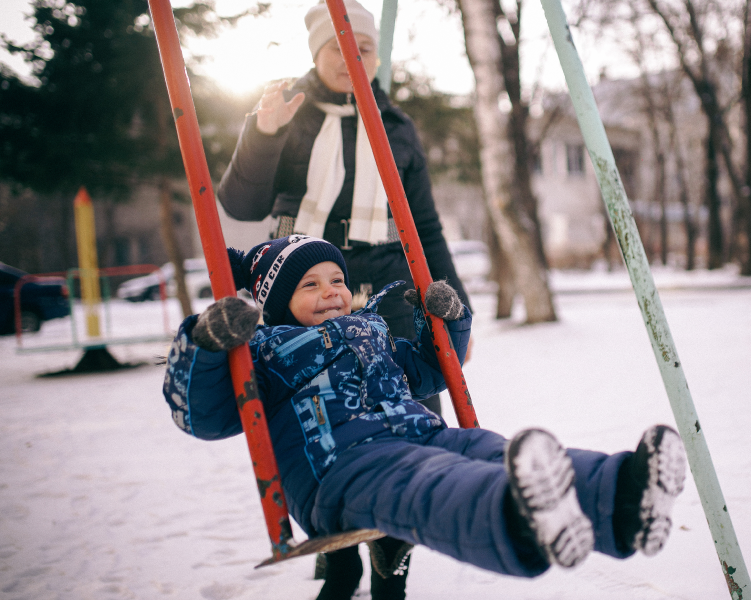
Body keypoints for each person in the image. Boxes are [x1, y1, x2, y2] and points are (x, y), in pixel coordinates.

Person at [162, 235, 688, 591]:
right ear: (275, 302)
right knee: (428, 482)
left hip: (421, 432)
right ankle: (520, 519)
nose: (331, 292)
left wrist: (448, 321)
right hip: (341, 470)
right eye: (310, 284)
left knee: (487, 449)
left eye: (336, 279)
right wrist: (208, 345)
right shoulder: (264, 351)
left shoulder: (369, 328)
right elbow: (202, 415)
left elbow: (434, 370)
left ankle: (621, 499)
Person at [215, 2, 471, 595]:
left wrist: (450, 297)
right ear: (317, 52)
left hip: (380, 280)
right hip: (300, 280)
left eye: (364, 47)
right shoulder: (289, 112)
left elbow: (424, 223)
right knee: (313, 414)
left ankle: (392, 556)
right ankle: (337, 556)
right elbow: (242, 204)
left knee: (402, 414)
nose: (352, 57)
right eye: (338, 47)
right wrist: (265, 133)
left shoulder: (396, 125)